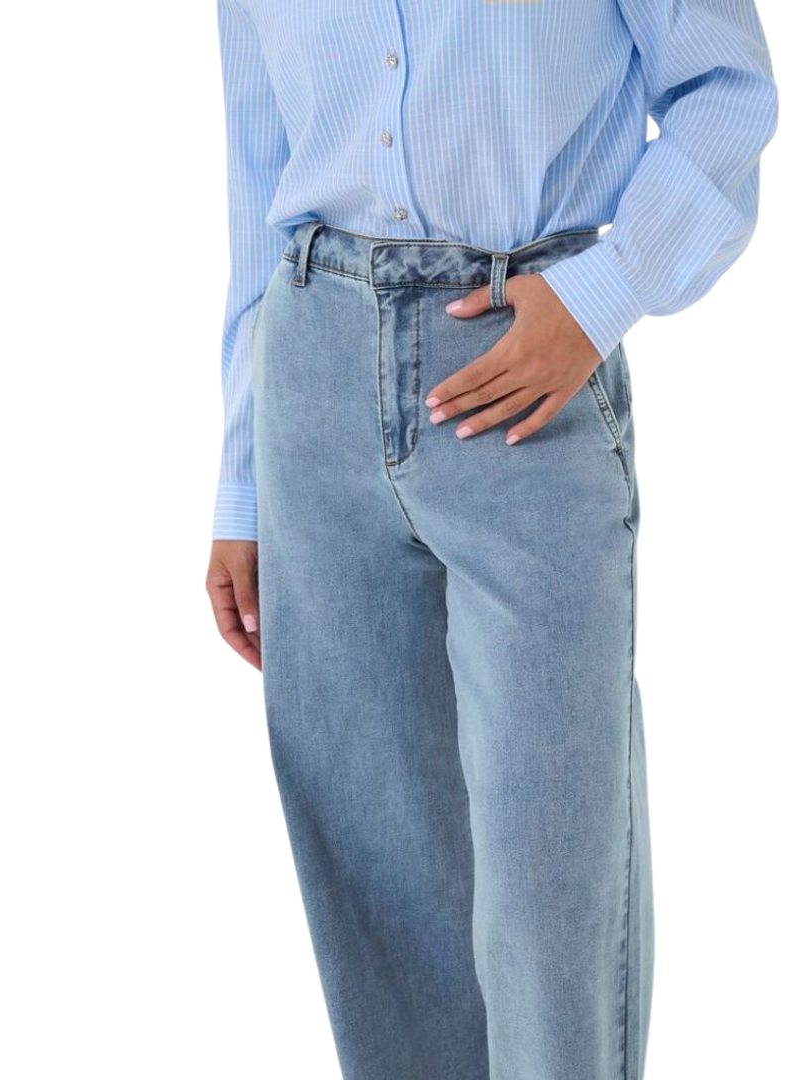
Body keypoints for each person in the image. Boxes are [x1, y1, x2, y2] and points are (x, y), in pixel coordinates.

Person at [204, 2, 777, 1077]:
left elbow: (726, 93)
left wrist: (602, 292)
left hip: (524, 366)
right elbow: (255, 172)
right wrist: (242, 483)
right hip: (312, 383)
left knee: (553, 892)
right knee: (381, 894)